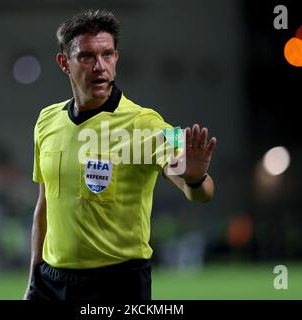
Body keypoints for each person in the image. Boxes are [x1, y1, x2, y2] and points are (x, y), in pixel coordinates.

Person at [24, 9, 217, 300]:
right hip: (50, 282)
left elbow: (202, 193)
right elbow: (44, 205)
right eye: (87, 56)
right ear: (64, 63)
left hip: (116, 284)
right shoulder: (46, 120)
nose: (99, 66)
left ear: (117, 58)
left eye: (108, 54)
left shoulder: (147, 123)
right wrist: (33, 280)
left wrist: (195, 178)